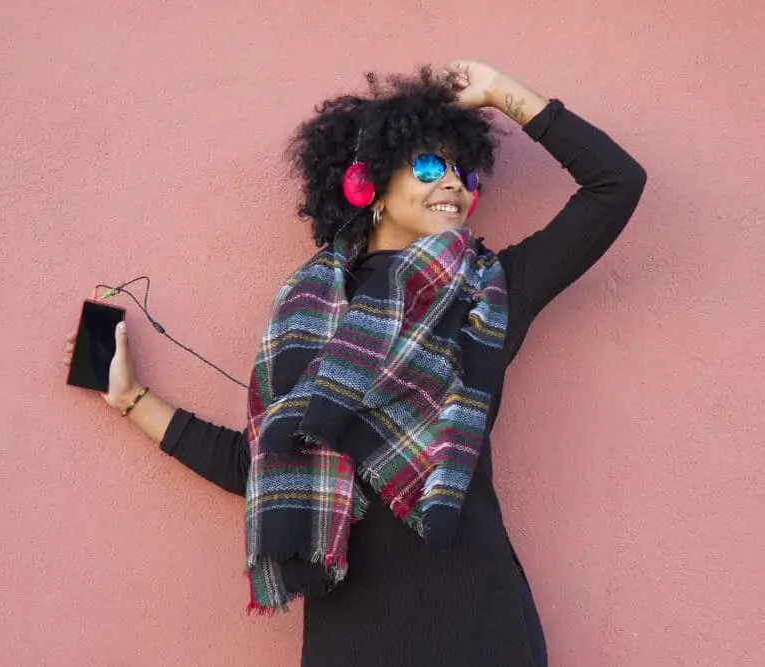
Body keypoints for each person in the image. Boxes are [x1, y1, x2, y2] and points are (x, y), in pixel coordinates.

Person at [62, 60, 646, 667]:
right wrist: (131, 400)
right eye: (427, 165)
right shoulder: (305, 314)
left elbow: (616, 185)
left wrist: (502, 93)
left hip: (476, 621)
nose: (453, 183)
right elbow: (263, 464)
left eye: (465, 170)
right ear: (369, 185)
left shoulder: (488, 294)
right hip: (351, 633)